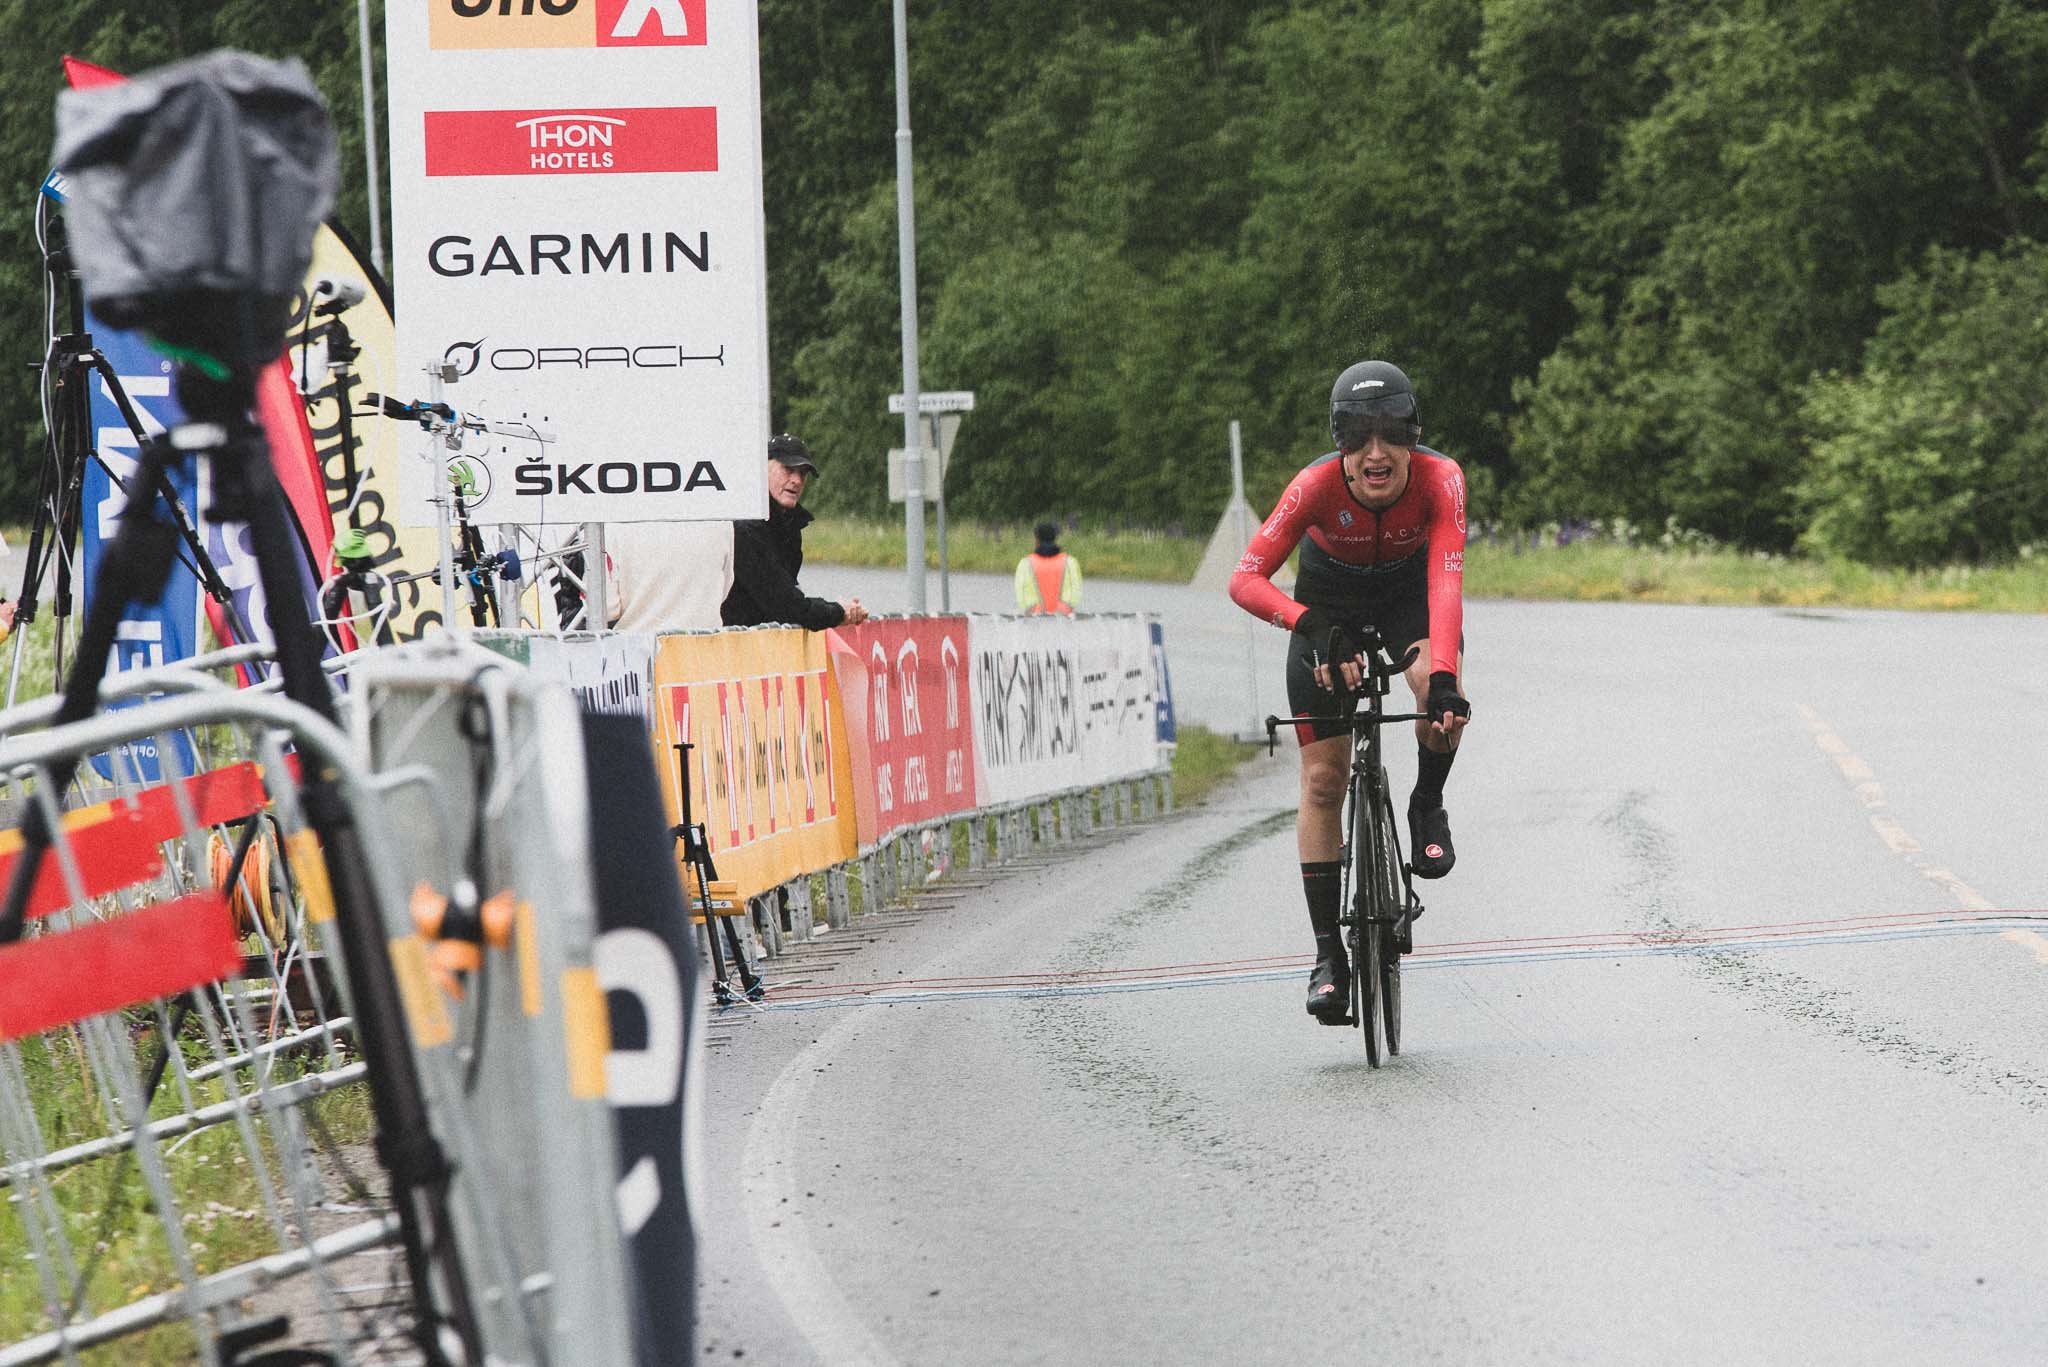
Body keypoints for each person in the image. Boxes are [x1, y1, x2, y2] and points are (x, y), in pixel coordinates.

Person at [1227, 360, 1472, 1024]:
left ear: (1413, 436)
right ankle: (1328, 956)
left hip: (1406, 598)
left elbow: (1445, 580)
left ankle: (1426, 804)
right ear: (1339, 442)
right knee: (1322, 780)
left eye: (1392, 434)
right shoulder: (1312, 486)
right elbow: (1245, 580)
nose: (1376, 453)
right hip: (1327, 606)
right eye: (1358, 438)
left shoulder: (1442, 479)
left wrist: (1442, 680)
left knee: (1435, 689)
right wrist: (1311, 627)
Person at [720, 433, 869, 630]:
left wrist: (837, 611)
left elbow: (789, 600)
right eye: (788, 470)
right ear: (762, 468)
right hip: (734, 642)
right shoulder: (746, 527)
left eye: (803, 473)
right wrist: (838, 611)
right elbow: (786, 606)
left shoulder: (789, 524)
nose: (797, 480)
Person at [605, 521, 734, 631]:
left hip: (639, 646)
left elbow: (608, 608)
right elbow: (724, 586)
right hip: (706, 644)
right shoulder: (720, 517)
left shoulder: (615, 521)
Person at [1014, 520, 1083, 615]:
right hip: (1064, 617)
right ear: (1055, 538)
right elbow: (1075, 594)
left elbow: (1022, 596)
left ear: (1036, 539)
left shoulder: (1025, 563)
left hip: (1035, 618)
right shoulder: (1070, 562)